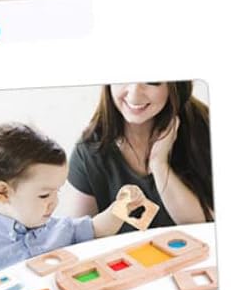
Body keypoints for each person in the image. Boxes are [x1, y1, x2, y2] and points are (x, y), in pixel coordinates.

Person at [0, 122, 133, 286]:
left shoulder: (59, 229)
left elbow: (96, 228)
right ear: (3, 192)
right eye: (44, 195)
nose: (55, 202)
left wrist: (121, 207)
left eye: (57, 191)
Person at [58, 82, 214, 230]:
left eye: (150, 81)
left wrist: (159, 164)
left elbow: (206, 229)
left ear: (174, 85)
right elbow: (79, 238)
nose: (134, 95)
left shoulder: (204, 126)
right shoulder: (90, 151)